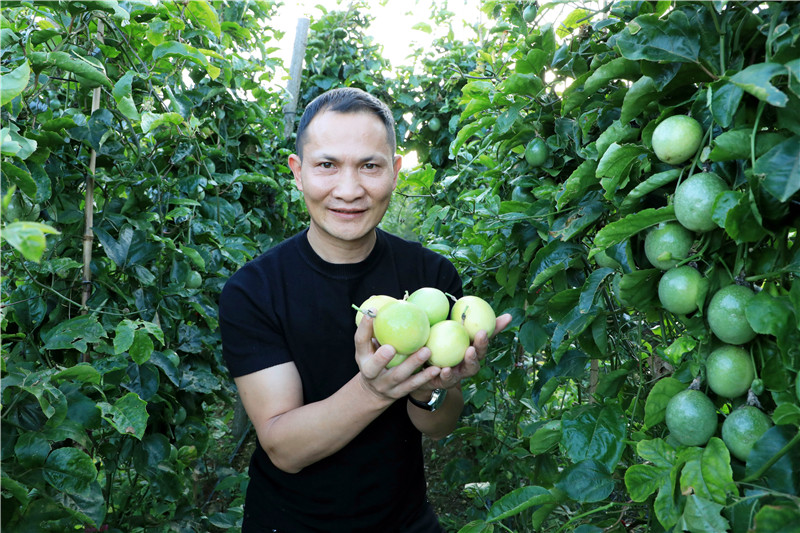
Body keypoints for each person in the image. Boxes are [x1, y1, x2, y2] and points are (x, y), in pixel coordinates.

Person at [218, 87, 512, 533]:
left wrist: (427, 386)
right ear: (298, 173)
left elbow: (440, 424)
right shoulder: (254, 291)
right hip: (290, 523)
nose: (349, 190)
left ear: (395, 173)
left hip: (404, 520)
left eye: (370, 166)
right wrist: (374, 391)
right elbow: (284, 448)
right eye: (327, 165)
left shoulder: (431, 277)